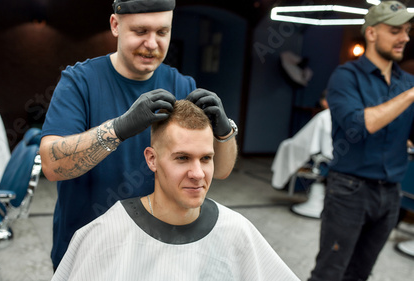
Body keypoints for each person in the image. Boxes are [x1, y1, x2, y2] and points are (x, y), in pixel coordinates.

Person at [39, 0, 238, 270]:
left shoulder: (182, 84)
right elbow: (52, 165)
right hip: (88, 251)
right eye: (141, 31)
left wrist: (224, 132)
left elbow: (223, 170)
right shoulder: (80, 81)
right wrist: (120, 128)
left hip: (159, 250)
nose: (152, 44)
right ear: (115, 25)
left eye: (162, 32)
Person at [51, 100, 298, 281]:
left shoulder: (236, 231)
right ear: (152, 159)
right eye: (182, 158)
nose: (198, 173)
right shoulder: (106, 234)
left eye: (206, 158)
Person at [308, 2, 414, 280]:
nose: (405, 37)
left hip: (391, 194)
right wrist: (411, 95)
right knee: (329, 273)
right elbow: (360, 124)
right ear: (371, 33)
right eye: (395, 31)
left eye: (407, 30)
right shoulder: (346, 76)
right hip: (349, 192)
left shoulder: (406, 82)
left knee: (360, 274)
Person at [271, 89, 332, 219]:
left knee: (287, 146)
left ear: (324, 101)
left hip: (325, 161)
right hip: (337, 161)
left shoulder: (323, 116)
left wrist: (287, 145)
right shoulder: (343, 115)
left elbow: (302, 143)